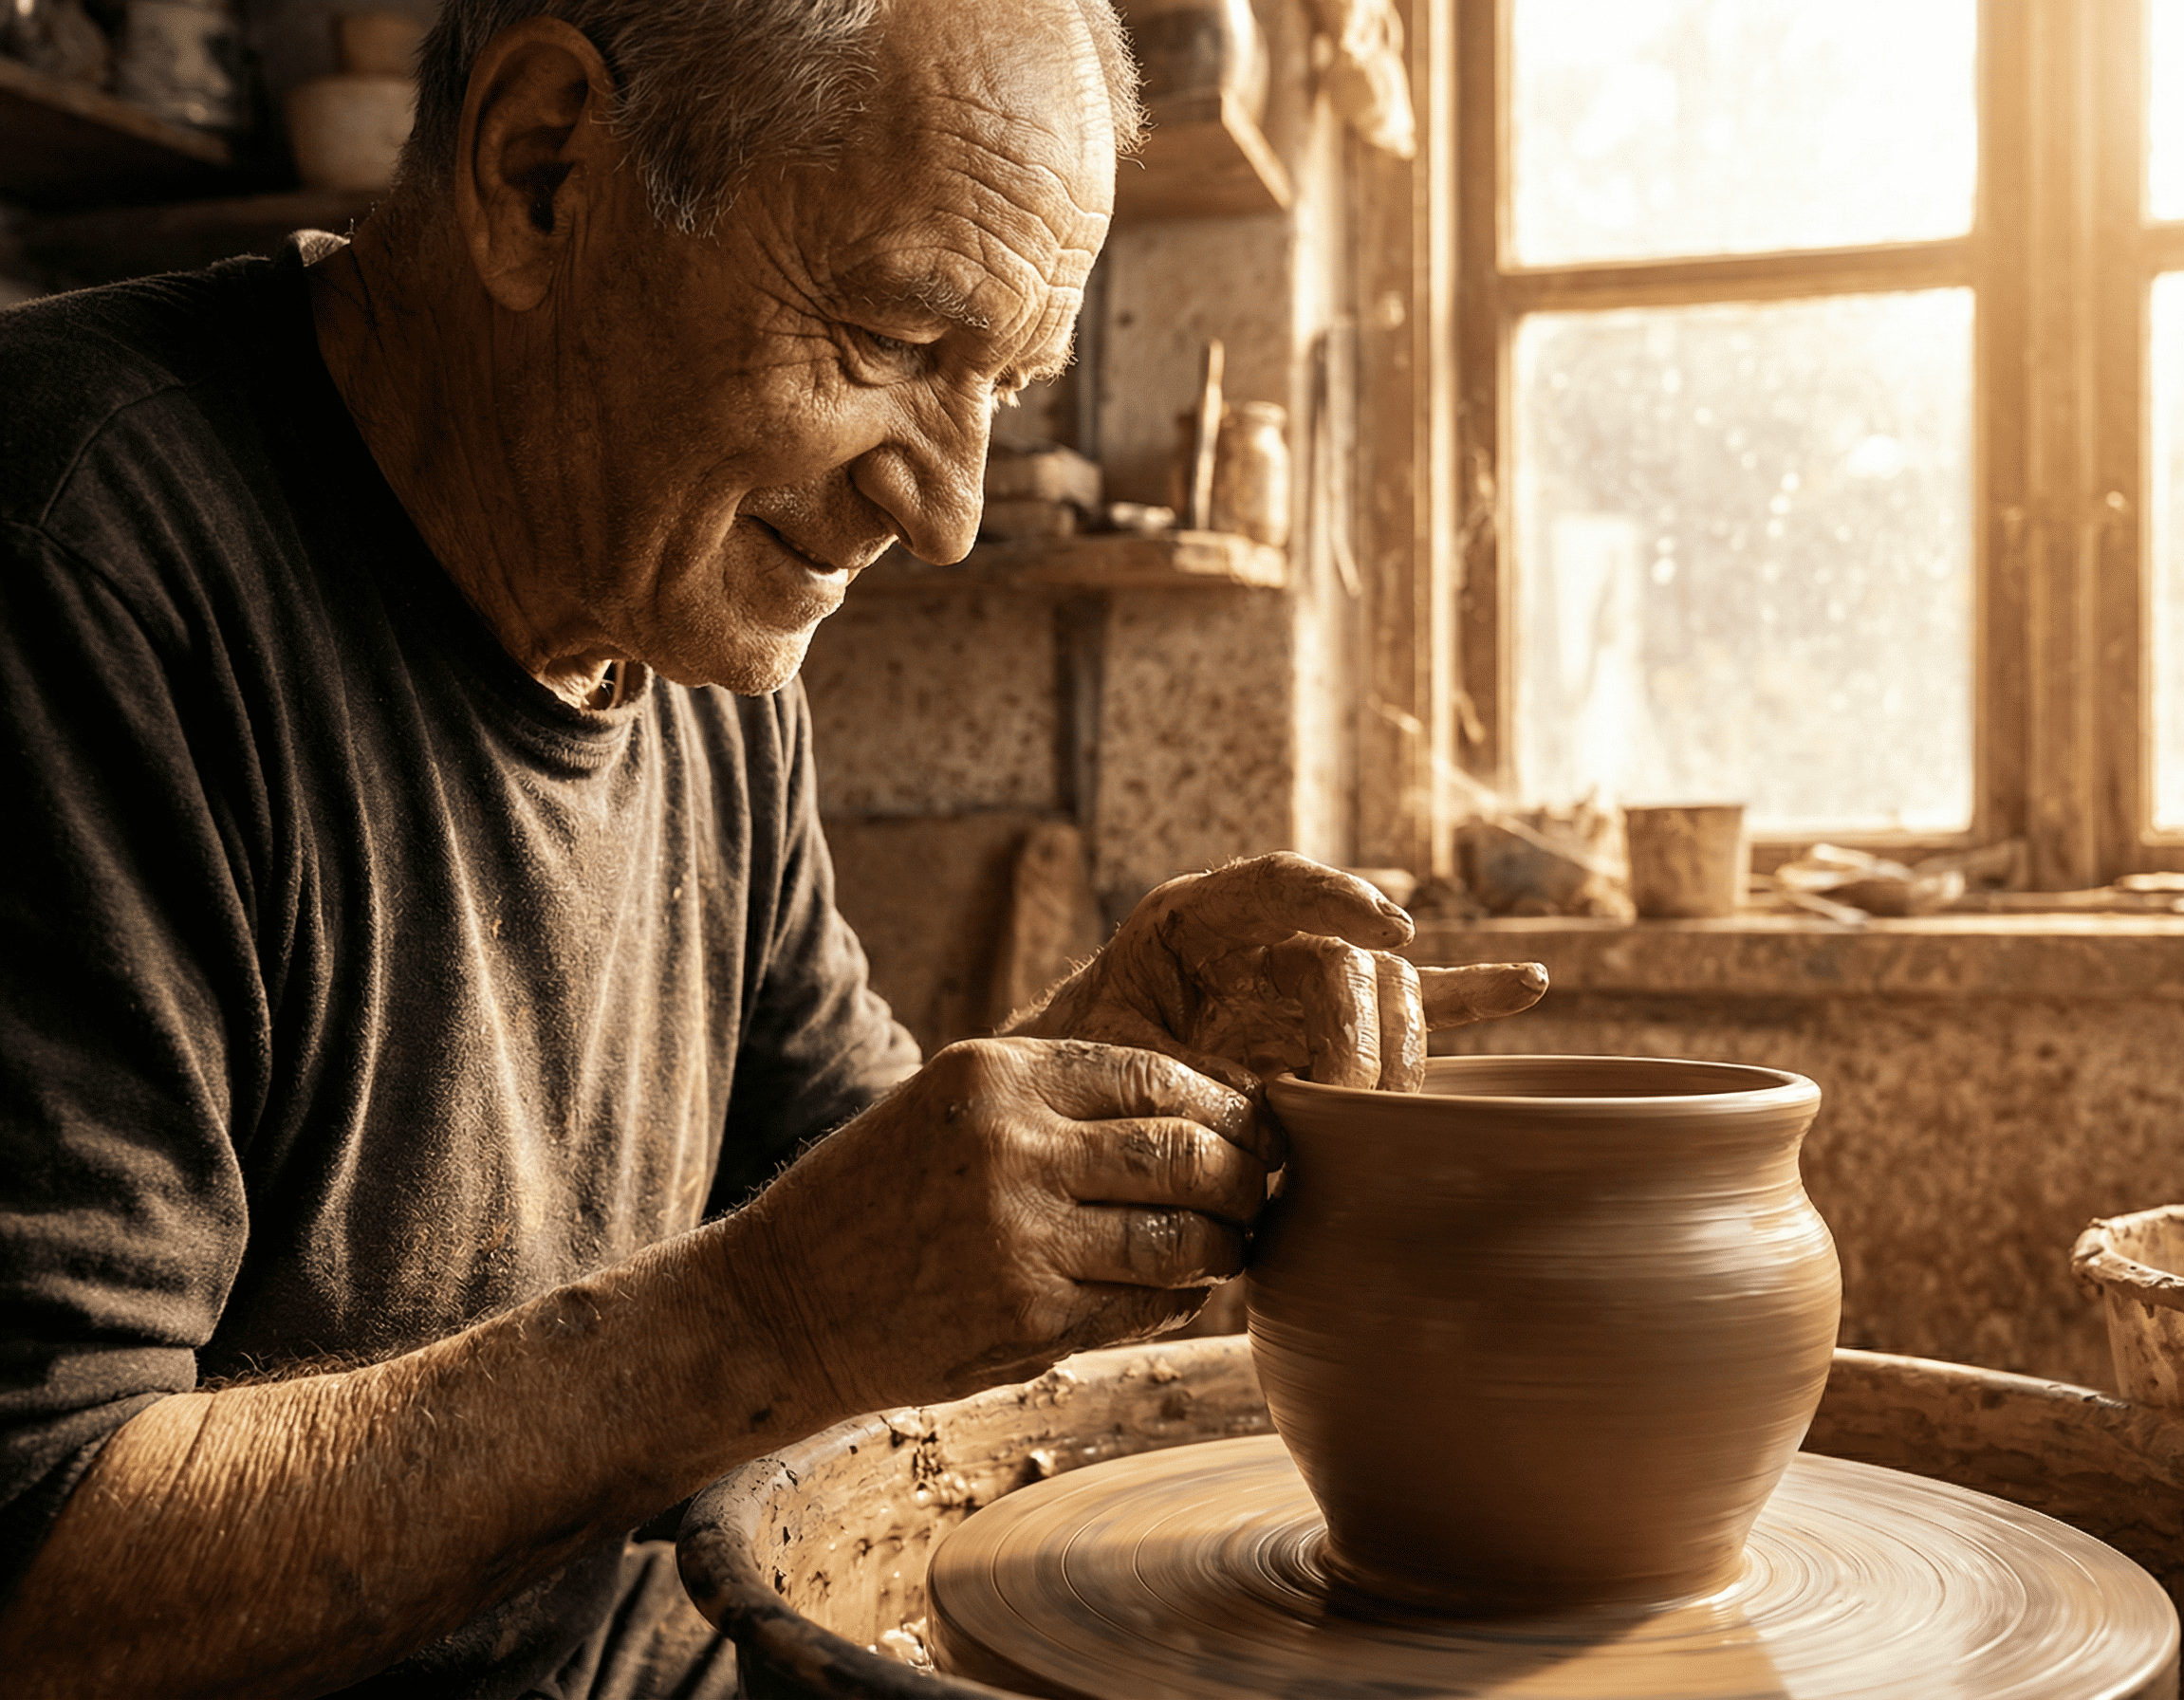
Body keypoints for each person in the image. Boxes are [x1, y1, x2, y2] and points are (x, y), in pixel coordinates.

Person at [0, 0, 1546, 1693]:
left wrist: (1082, 1087)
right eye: (892, 340)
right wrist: (772, 1322)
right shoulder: (76, 567)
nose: (948, 511)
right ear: (543, 171)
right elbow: (37, 1564)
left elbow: (833, 1193)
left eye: (1004, 389)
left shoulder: (692, 622)